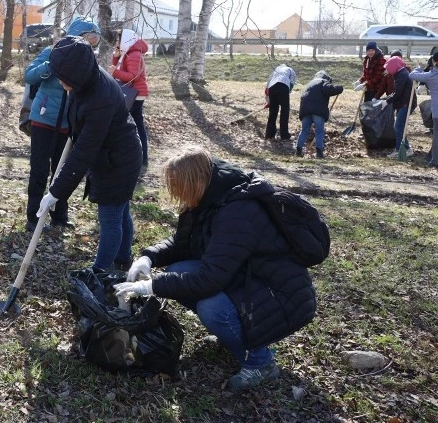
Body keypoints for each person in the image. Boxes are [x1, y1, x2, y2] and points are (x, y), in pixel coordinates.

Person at [113, 145, 316, 391]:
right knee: (179, 268)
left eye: (181, 188)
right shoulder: (209, 197)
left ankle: (261, 364)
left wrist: (151, 285)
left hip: (277, 296)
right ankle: (233, 335)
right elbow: (183, 244)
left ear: (196, 182)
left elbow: (209, 279)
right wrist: (148, 258)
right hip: (247, 279)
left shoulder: (237, 211)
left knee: (212, 308)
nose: (179, 196)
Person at [37, 35, 142, 272]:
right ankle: (122, 260)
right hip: (112, 154)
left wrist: (56, 192)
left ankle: (100, 272)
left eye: (64, 78)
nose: (61, 82)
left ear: (76, 73)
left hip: (119, 162)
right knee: (120, 211)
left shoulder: (100, 97)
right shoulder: (84, 80)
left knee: (111, 217)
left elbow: (84, 150)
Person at [24, 18, 101, 232]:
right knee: (39, 170)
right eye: (87, 39)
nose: (89, 46)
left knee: (61, 172)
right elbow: (29, 76)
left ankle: (60, 215)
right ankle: (34, 216)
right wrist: (52, 65)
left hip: (69, 124)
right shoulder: (51, 51)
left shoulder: (87, 59)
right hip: (43, 119)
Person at [109, 28, 149, 169]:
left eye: (119, 40)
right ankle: (140, 156)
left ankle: (142, 156)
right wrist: (116, 56)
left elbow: (132, 75)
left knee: (137, 125)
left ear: (125, 39)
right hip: (134, 92)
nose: (117, 43)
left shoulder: (134, 54)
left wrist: (115, 71)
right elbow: (119, 69)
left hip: (135, 93)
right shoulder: (129, 52)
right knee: (135, 124)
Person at [295, 71, 344, 159]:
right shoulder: (322, 81)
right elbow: (330, 89)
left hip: (305, 110)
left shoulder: (309, 84)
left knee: (304, 130)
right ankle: (319, 153)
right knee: (319, 131)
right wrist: (340, 88)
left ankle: (298, 151)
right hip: (318, 110)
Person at [375, 56, 416, 158]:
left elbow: (398, 92)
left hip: (406, 104)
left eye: (388, 67)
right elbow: (395, 91)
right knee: (400, 126)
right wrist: (386, 99)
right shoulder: (399, 73)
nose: (387, 70)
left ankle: (398, 150)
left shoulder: (402, 75)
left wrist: (387, 101)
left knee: (398, 127)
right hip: (402, 103)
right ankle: (406, 148)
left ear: (394, 66)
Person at [409, 51, 438, 166]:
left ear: (434, 61)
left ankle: (435, 161)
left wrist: (418, 68)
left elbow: (411, 75)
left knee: (436, 136)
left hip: (436, 112)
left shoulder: (431, 75)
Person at [264, 64, 297, 140]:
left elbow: (267, 85)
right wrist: (287, 92)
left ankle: (269, 134)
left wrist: (268, 101)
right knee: (285, 111)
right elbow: (291, 83)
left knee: (273, 112)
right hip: (283, 87)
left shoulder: (276, 69)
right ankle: (284, 135)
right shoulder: (290, 69)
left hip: (272, 87)